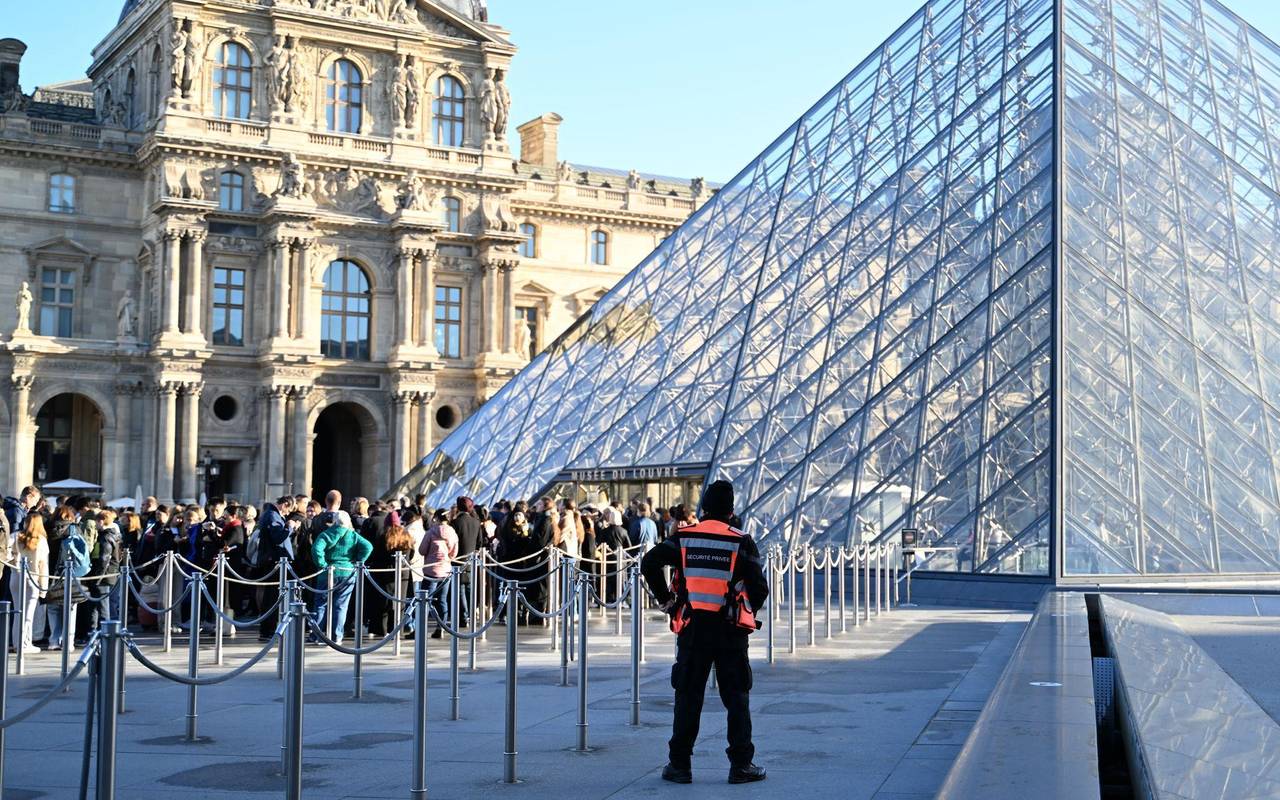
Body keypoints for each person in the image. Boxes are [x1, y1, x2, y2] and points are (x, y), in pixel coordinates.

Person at [641, 480, 768, 785]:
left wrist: (668, 601)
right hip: (729, 630)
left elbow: (649, 563)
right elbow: (760, 589)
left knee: (688, 696)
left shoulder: (685, 537)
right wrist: (743, 606)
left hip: (693, 629)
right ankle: (741, 765)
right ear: (731, 510)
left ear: (704, 508)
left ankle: (679, 765)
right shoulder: (741, 541)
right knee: (736, 697)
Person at [309, 511, 372, 645]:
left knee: (321, 605)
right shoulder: (353, 535)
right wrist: (358, 561)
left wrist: (322, 564)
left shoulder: (326, 534)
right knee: (341, 606)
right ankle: (336, 636)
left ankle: (317, 635)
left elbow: (316, 549)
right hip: (347, 572)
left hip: (327, 573)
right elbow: (368, 546)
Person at [257, 496, 296, 641]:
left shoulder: (270, 513)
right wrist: (290, 526)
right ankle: (267, 629)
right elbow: (278, 537)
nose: (287, 514)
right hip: (273, 561)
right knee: (271, 597)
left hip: (273, 560)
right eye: (288, 511)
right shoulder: (273, 515)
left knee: (272, 595)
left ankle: (268, 628)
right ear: (285, 505)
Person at [10, 513, 49, 654]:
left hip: (16, 576)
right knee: (28, 614)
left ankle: (16, 643)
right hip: (33, 578)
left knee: (17, 612)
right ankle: (25, 643)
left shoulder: (15, 536)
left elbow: (6, 552)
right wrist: (43, 589)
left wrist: (13, 561)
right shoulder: (42, 541)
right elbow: (44, 566)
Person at [418, 509, 458, 639]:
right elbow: (454, 553)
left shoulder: (430, 532)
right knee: (442, 600)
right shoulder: (452, 532)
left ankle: (421, 626)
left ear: (436, 518)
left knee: (425, 599)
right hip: (446, 570)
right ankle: (440, 627)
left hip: (431, 570)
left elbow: (422, 550)